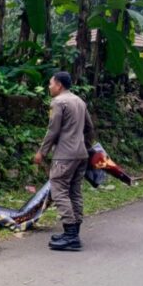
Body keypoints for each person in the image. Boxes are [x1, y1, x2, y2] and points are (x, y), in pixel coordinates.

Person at [33, 72, 95, 251]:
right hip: (81, 154)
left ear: (59, 85)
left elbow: (53, 131)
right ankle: (74, 233)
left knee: (59, 190)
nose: (49, 86)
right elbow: (89, 128)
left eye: (50, 83)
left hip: (65, 155)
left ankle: (70, 235)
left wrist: (41, 152)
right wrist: (86, 146)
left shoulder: (58, 103)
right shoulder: (80, 102)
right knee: (75, 192)